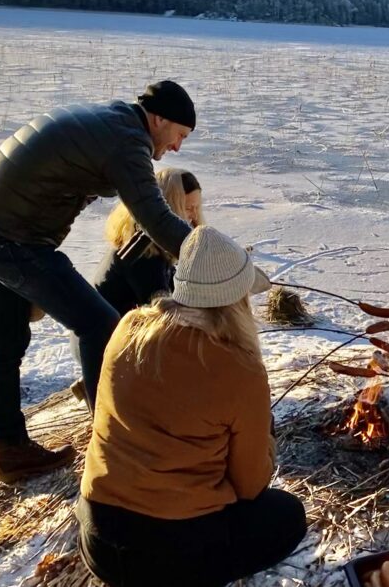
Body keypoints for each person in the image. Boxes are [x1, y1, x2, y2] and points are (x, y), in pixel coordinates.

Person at [0, 80, 196, 483]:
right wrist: (205, 252)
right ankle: (112, 442)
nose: (176, 147)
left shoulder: (112, 122)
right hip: (11, 238)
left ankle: (11, 450)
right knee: (99, 324)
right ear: (158, 119)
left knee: (6, 343)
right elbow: (155, 219)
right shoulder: (127, 140)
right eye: (179, 135)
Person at [77, 226, 306, 587]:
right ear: (239, 301)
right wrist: (266, 443)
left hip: (98, 535)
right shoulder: (239, 368)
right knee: (287, 515)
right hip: (167, 554)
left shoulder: (129, 327)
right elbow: (249, 486)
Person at [94, 167, 205, 317]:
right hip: (107, 337)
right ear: (169, 208)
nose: (194, 216)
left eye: (197, 208)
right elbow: (163, 311)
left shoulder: (151, 245)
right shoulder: (143, 254)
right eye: (188, 208)